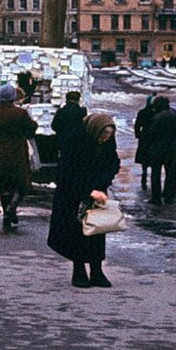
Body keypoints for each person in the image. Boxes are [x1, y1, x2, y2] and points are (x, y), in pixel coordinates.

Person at [48, 113, 119, 288]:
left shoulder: (108, 141)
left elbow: (112, 164)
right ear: (95, 131)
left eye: (108, 135)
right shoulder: (75, 138)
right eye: (103, 135)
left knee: (97, 229)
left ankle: (96, 271)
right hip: (72, 192)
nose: (105, 139)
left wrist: (100, 185)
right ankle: (79, 270)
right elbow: (68, 171)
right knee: (77, 231)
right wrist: (88, 190)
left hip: (96, 190)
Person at [0, 83, 37, 231]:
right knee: (21, 183)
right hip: (17, 152)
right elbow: (32, 128)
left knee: (3, 184)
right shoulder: (20, 113)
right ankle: (12, 207)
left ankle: (6, 212)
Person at [144, 95, 176, 205]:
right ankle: (169, 193)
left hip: (159, 148)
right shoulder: (173, 113)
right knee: (171, 172)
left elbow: (152, 133)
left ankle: (156, 197)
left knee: (156, 173)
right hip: (174, 147)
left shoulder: (158, 117)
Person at [133, 94, 155, 189]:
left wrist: (138, 135)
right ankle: (152, 174)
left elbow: (137, 125)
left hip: (144, 136)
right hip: (153, 137)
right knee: (152, 156)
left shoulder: (142, 112)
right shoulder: (156, 113)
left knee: (144, 157)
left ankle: (144, 174)